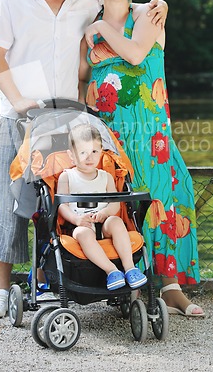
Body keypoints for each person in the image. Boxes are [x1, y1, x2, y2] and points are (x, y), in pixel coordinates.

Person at [0, 0, 168, 318]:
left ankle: (73, 275)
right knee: (12, 202)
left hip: (68, 120)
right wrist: (16, 100)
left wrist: (159, 4)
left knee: (65, 198)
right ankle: (0, 289)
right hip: (20, 117)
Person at [79, 0, 205, 316]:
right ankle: (134, 284)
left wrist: (102, 30)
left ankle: (170, 287)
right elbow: (81, 77)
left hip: (150, 132)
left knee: (162, 199)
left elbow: (135, 55)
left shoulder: (148, 14)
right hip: (110, 132)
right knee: (121, 206)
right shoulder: (88, 26)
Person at [57, 123, 147, 291]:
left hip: (104, 222)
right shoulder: (67, 177)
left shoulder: (106, 177)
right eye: (82, 152)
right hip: (81, 223)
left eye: (94, 152)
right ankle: (112, 271)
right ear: (71, 155)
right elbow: (62, 206)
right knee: (83, 233)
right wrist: (76, 219)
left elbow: (114, 204)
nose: (89, 157)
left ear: (101, 152)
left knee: (116, 222)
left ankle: (129, 268)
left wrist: (105, 212)